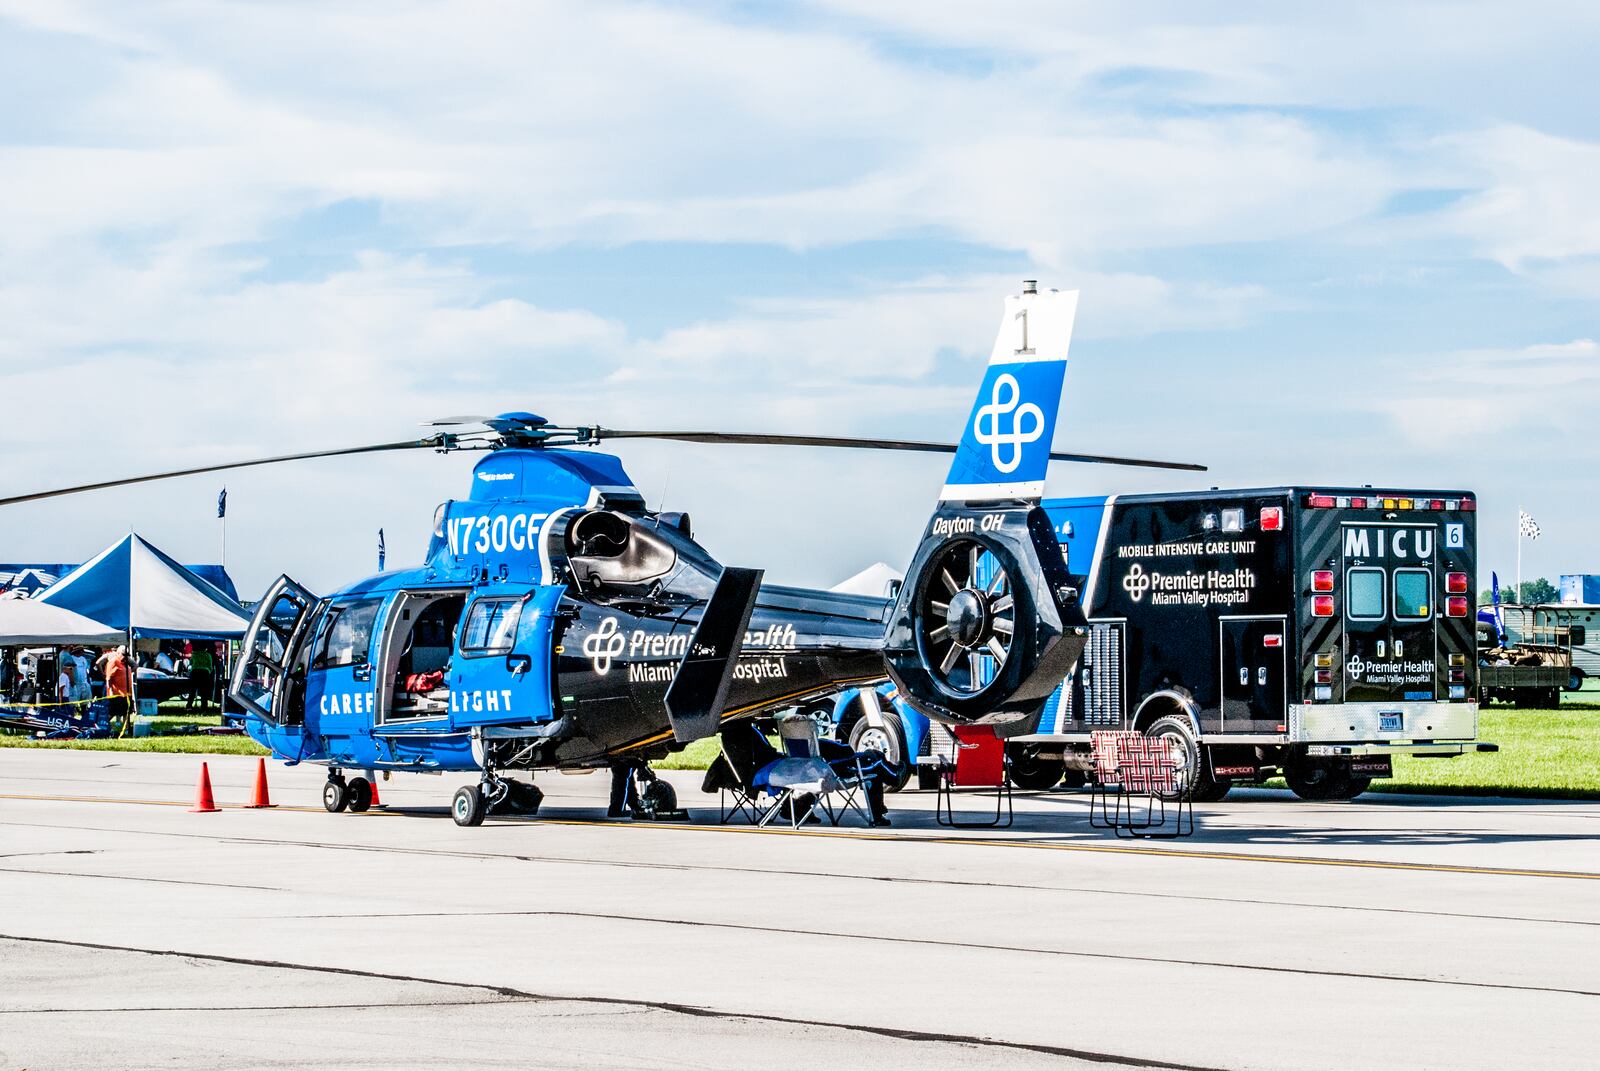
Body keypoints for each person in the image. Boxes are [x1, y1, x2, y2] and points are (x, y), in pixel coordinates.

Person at [97, 646, 132, 736]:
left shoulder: (125, 662)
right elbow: (108, 679)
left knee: (126, 713)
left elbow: (135, 665)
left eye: (127, 655)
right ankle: (100, 726)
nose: (126, 656)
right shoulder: (113, 662)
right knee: (111, 713)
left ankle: (126, 730)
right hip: (116, 693)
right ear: (118, 653)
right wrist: (111, 692)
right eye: (124, 654)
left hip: (126, 693)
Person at [187, 643, 214, 711]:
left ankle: (189, 706)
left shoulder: (194, 655)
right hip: (205, 673)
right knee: (204, 691)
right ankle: (204, 707)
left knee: (192, 691)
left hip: (195, 672)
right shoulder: (208, 655)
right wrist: (208, 672)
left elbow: (190, 664)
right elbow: (210, 666)